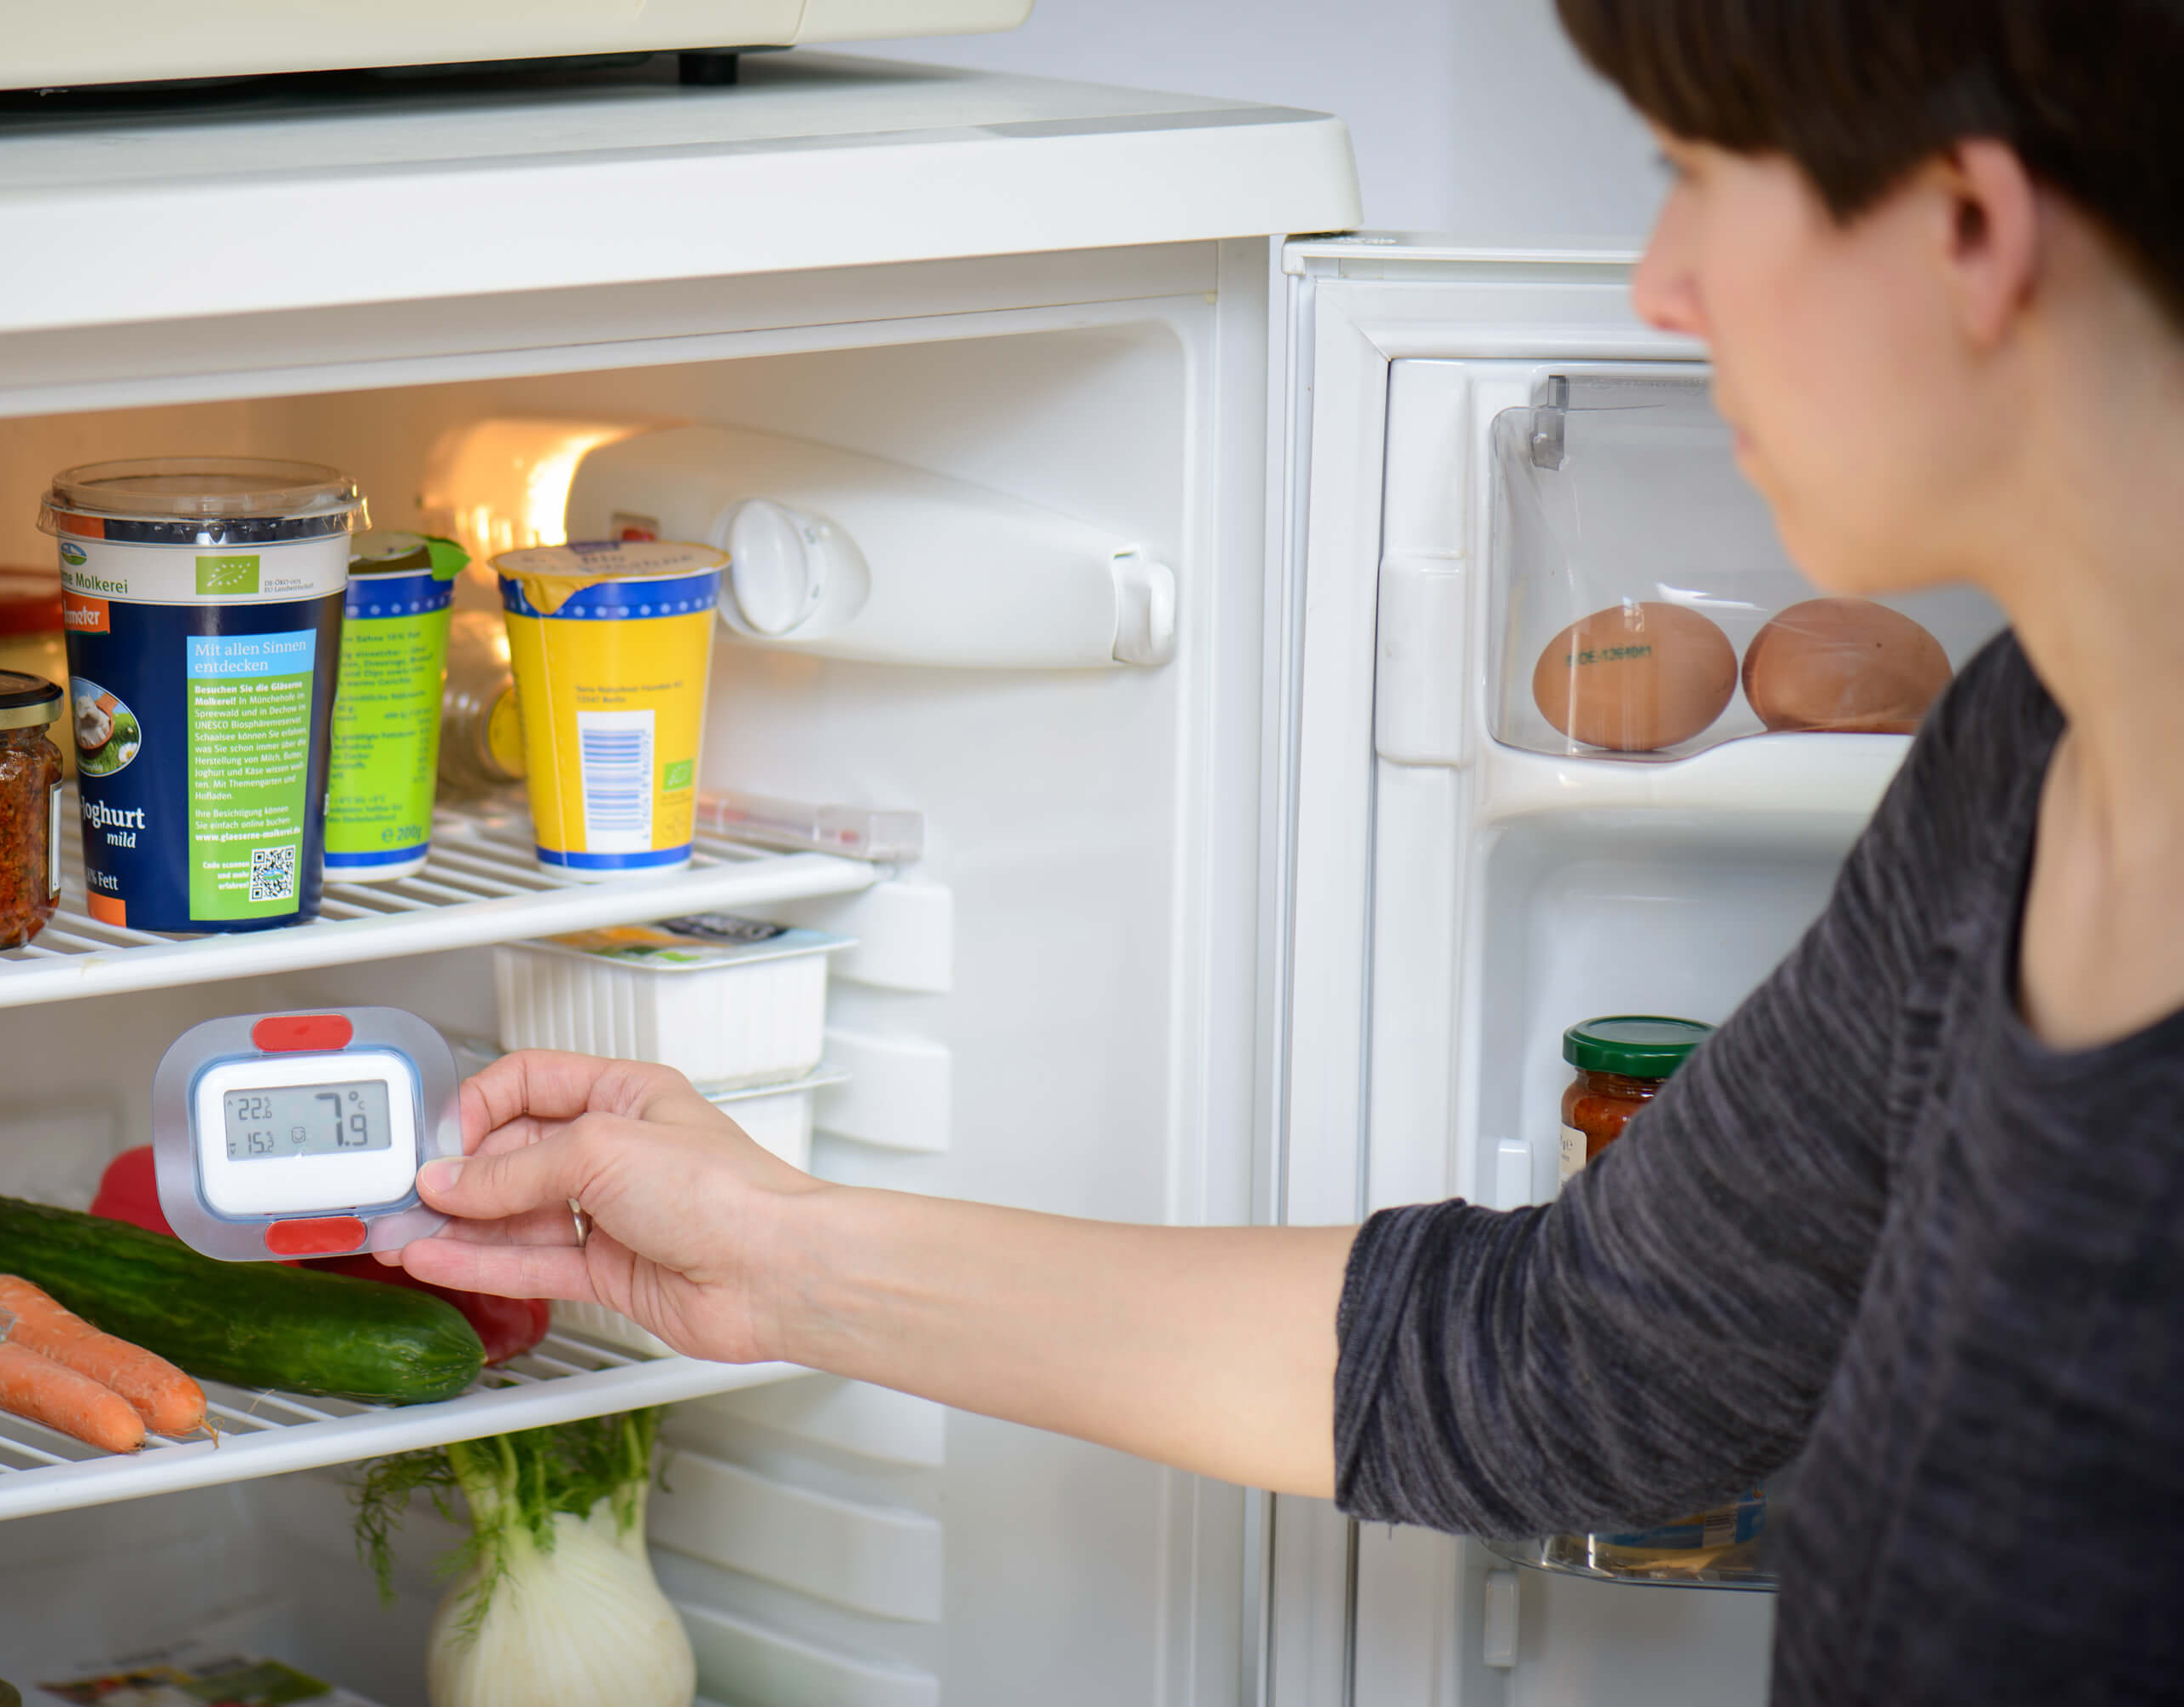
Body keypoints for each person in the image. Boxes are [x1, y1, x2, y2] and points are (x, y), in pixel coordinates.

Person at [381, 3, 2184, 1698]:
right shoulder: (2017, 772)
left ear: (1965, 227)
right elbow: (1580, 1356)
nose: (1661, 282)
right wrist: (769, 1249)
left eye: (1700, 175)